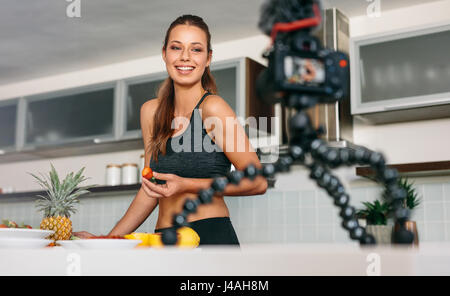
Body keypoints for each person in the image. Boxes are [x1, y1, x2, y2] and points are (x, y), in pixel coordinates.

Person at [74, 14, 267, 246]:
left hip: (210, 236)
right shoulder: (150, 112)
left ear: (208, 58)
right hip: (163, 238)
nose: (185, 57)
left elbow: (258, 182)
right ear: (165, 53)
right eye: (177, 47)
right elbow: (150, 189)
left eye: (196, 49)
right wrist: (106, 240)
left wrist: (187, 184)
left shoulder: (213, 108)